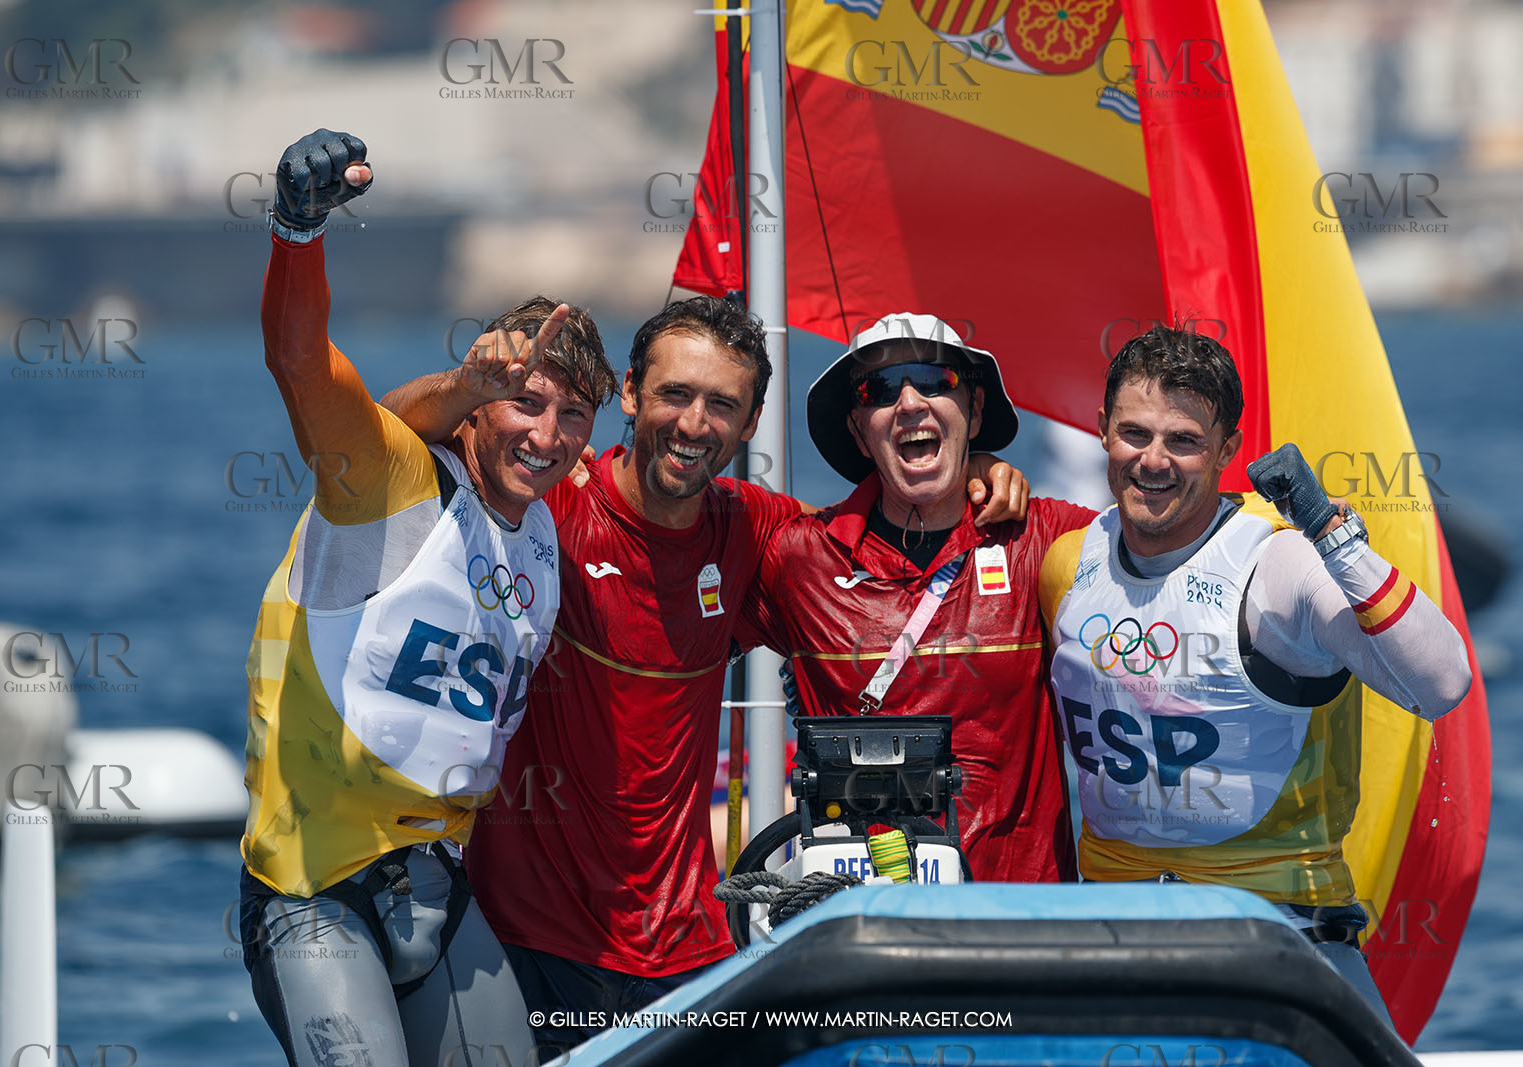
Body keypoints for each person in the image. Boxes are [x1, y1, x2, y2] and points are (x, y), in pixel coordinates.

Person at [380, 302, 1028, 1053]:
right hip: (531, 939)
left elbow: (873, 546)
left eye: (721, 404)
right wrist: (464, 387)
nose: (693, 423)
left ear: (750, 424)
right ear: (630, 393)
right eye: (675, 394)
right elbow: (386, 437)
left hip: (690, 948)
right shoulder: (547, 501)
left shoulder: (752, 528)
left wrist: (973, 470)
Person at [238, 128, 617, 1067]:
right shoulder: (391, 479)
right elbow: (299, 360)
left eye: (573, 415)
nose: (548, 436)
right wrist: (297, 230)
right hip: (314, 890)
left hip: (439, 897)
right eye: (527, 402)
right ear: (478, 401)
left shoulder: (547, 530)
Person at [1036, 323, 1471, 1022]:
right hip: (1116, 938)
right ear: (1101, 430)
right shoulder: (1065, 563)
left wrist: (1330, 533)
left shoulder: (1279, 564)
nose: (1153, 460)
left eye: (1184, 440)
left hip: (1279, 941)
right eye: (1134, 434)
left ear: (1227, 450)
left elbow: (1442, 683)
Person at [736, 313, 1098, 884]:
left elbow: (1177, 542)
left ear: (975, 410)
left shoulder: (1044, 539)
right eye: (879, 389)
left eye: (934, 380)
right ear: (859, 431)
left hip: (1019, 917)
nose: (909, 402)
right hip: (859, 918)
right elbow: (670, 566)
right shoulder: (800, 558)